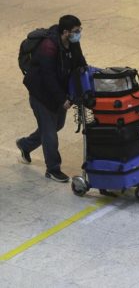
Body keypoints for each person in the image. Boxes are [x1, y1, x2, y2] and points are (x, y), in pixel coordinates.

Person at [16, 15, 87, 182]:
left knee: (57, 125)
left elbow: (79, 62)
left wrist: (85, 76)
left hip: (57, 91)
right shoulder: (48, 46)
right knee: (49, 133)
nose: (79, 34)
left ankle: (25, 145)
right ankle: (53, 169)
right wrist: (62, 99)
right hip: (41, 93)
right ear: (65, 32)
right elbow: (48, 77)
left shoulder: (72, 42)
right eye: (76, 31)